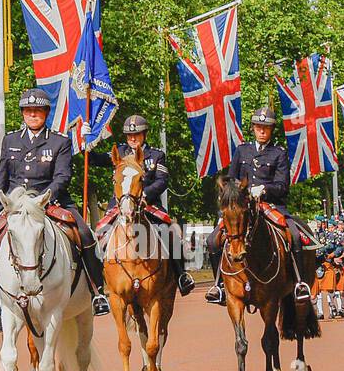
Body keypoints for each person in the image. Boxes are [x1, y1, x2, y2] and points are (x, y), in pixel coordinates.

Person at [0, 88, 111, 334]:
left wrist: (42, 199)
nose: (33, 115)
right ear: (23, 114)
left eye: (37, 111)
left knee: (85, 234)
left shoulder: (60, 141)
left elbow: (62, 177)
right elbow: (0, 180)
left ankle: (97, 292)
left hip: (51, 201)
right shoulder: (11, 140)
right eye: (28, 111)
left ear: (46, 113)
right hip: (16, 206)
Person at [204, 107, 313, 304]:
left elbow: (283, 186)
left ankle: (299, 283)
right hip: (242, 206)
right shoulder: (242, 150)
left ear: (271, 130)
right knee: (213, 240)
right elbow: (231, 179)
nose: (262, 131)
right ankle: (219, 285)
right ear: (253, 128)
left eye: (266, 127)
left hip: (271, 205)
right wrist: (235, 191)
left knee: (295, 236)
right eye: (258, 127)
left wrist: (263, 189)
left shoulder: (279, 153)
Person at [89, 113, 194, 294]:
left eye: (136, 135)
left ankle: (181, 275)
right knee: (98, 238)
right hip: (119, 207)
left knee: (170, 233)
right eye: (129, 136)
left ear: (144, 134)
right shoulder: (120, 153)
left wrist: (144, 194)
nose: (132, 138)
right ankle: (96, 284)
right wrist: (87, 143)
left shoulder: (156, 155)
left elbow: (162, 181)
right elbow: (94, 160)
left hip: (148, 205)